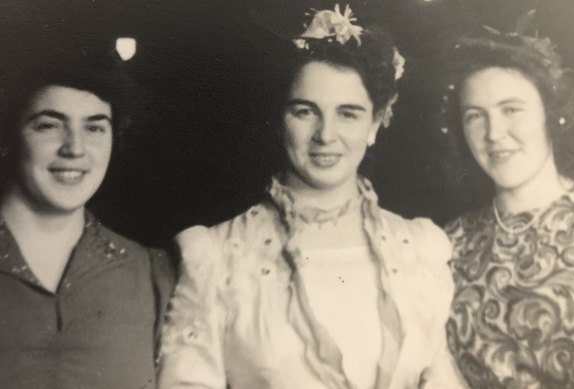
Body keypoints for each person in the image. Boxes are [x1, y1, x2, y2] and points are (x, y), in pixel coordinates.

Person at [158, 5, 466, 388]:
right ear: (281, 117)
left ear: (376, 122)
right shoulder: (216, 256)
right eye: (306, 111)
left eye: (348, 114)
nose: (325, 135)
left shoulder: (420, 251)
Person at [0, 45, 175, 388]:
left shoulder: (152, 276)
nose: (75, 149)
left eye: (95, 128)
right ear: (7, 137)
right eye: (49, 125)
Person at [443, 29, 574, 388]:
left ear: (550, 114)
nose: (494, 133)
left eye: (511, 110)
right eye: (475, 116)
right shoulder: (448, 244)